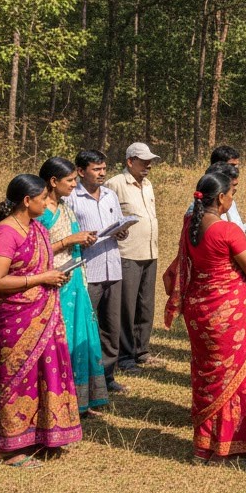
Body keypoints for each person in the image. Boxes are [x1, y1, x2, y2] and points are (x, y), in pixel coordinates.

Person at [172, 170, 246, 462]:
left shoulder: (190, 226)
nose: (232, 200)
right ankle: (236, 441)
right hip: (228, 313)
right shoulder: (227, 230)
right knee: (237, 376)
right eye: (231, 195)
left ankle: (205, 444)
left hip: (200, 311)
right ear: (220, 198)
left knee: (208, 375)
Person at [0, 174, 81, 467]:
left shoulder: (37, 227)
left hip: (45, 309)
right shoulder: (6, 233)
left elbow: (42, 261)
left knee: (45, 372)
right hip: (16, 316)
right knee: (17, 377)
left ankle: (42, 436)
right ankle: (9, 450)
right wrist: (42, 278)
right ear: (27, 201)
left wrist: (55, 275)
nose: (46, 203)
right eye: (42, 199)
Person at [37, 156, 106, 416]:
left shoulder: (65, 207)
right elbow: (38, 250)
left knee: (80, 336)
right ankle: (59, 400)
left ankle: (80, 400)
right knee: (60, 341)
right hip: (54, 282)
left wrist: (82, 240)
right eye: (70, 180)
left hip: (75, 279)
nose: (75, 185)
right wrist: (68, 241)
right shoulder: (40, 210)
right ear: (53, 181)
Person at [66, 149, 131, 395]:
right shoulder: (72, 198)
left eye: (104, 168)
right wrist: (80, 240)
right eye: (96, 169)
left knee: (111, 326)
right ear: (81, 171)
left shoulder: (110, 195)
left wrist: (122, 231)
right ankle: (83, 377)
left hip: (112, 268)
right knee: (86, 325)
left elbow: (119, 223)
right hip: (87, 270)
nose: (102, 173)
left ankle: (107, 376)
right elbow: (66, 233)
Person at [106, 142, 163, 373]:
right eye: (143, 161)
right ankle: (125, 356)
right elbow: (108, 218)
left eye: (150, 162)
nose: (148, 166)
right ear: (130, 161)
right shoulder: (115, 184)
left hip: (149, 251)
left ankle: (142, 351)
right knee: (127, 307)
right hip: (127, 253)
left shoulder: (147, 184)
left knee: (145, 304)